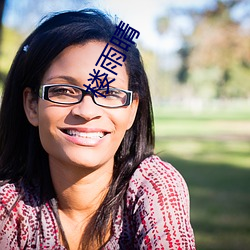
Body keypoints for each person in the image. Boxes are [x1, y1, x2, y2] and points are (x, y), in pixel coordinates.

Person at [0, 9, 196, 250]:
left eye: (109, 93)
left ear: (132, 110)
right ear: (32, 106)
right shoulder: (9, 207)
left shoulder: (155, 186)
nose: (86, 110)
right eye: (64, 91)